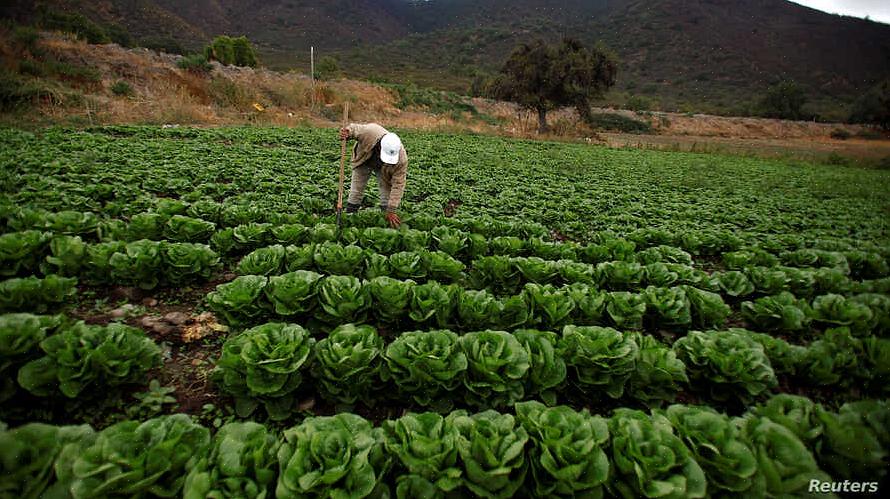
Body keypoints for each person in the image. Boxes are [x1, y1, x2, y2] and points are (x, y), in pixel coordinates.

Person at [338, 122, 407, 228]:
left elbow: (398, 184)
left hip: (384, 168)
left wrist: (392, 209)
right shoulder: (370, 132)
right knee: (356, 190)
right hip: (363, 160)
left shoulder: (401, 160)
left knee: (386, 192)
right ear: (380, 147)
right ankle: (349, 217)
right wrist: (347, 132)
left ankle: (386, 219)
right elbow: (355, 128)